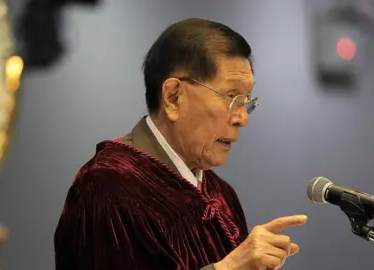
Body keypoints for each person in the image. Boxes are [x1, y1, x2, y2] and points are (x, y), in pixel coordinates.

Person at [54, 18, 308, 270]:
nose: (242, 118)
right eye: (231, 97)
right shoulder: (109, 188)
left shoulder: (220, 195)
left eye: (247, 101)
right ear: (173, 97)